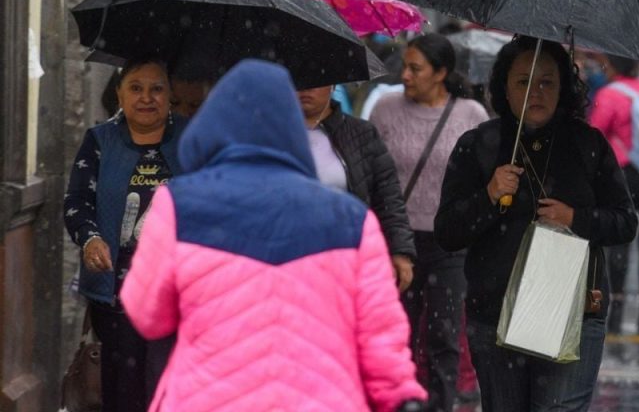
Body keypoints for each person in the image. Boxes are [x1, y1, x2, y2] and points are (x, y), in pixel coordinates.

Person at [120, 59, 427, 411]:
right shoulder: (352, 221)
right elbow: (379, 335)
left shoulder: (178, 206)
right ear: (292, 130)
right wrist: (400, 396)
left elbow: (147, 314)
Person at [435, 37, 637, 412]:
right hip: (494, 312)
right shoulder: (478, 144)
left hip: (573, 309)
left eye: (547, 82)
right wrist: (489, 196)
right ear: (504, 88)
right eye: (523, 82)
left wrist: (576, 218)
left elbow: (625, 222)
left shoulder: (587, 144)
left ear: (563, 88)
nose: (536, 92)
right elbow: (448, 231)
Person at [370, 33, 489, 411]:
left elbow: (482, 180)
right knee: (395, 335)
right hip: (395, 241)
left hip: (449, 243)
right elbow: (372, 176)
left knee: (443, 335)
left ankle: (440, 404)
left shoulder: (471, 115)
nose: (404, 75)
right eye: (404, 66)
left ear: (441, 73)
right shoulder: (385, 110)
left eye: (415, 68)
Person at [63, 56, 186, 412]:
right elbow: (77, 200)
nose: (146, 97)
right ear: (119, 94)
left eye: (156, 89)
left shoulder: (191, 139)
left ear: (170, 95)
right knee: (123, 389)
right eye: (136, 88)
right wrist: (90, 239)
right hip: (117, 290)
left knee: (167, 386)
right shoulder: (100, 141)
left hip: (175, 290)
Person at [296, 84, 417, 291]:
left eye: (317, 81)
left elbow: (387, 196)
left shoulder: (361, 134)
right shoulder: (272, 133)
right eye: (299, 79)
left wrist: (400, 250)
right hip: (290, 257)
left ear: (333, 86)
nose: (306, 88)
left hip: (348, 258)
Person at [589, 54, 639, 335]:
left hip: (623, 173)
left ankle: (617, 311)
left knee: (622, 239)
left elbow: (595, 136)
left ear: (609, 65)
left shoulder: (609, 94)